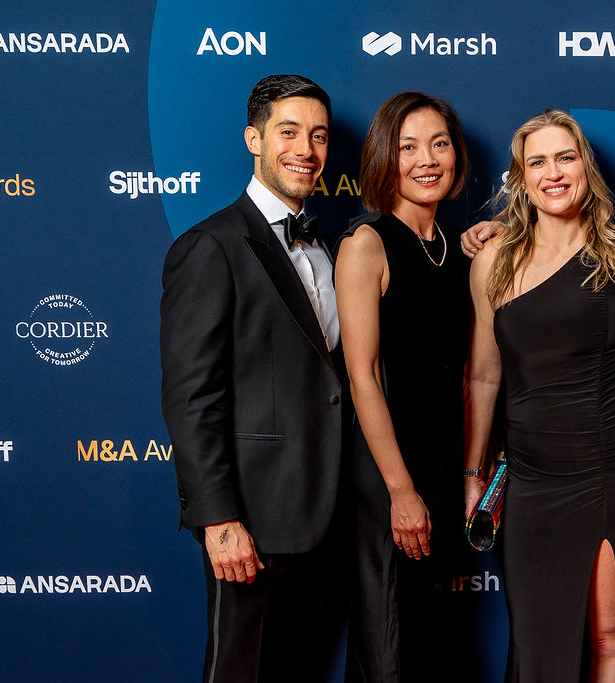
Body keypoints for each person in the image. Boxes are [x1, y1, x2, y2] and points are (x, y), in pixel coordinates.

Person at [160, 74, 348, 683]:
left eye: (318, 136)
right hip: (252, 517)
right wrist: (218, 520)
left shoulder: (329, 248)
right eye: (288, 132)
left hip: (325, 511)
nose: (305, 150)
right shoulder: (211, 246)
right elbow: (192, 398)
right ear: (253, 139)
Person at [466, 109, 615, 682]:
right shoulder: (493, 263)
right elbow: (482, 378)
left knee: (607, 636)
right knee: (539, 643)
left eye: (565, 157)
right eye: (537, 162)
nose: (553, 173)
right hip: (531, 480)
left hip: (614, 469)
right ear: (521, 179)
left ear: (585, 168)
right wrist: (473, 474)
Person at [335, 91, 474, 682]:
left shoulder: (459, 249)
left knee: (434, 644)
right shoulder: (366, 244)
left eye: (439, 144)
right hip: (389, 474)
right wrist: (400, 490)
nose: (426, 159)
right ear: (383, 159)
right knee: (389, 642)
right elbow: (362, 375)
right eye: (408, 147)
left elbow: (470, 372)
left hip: (442, 469)